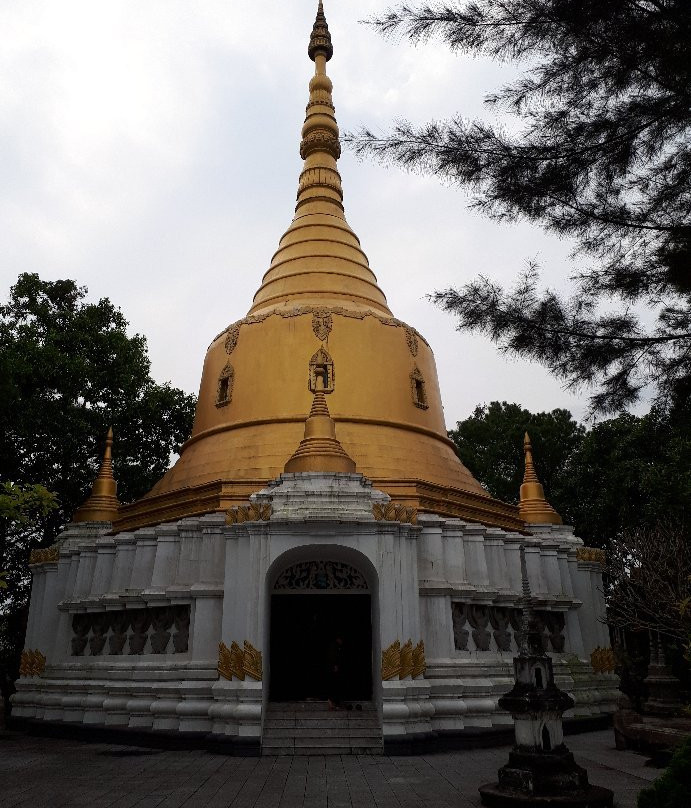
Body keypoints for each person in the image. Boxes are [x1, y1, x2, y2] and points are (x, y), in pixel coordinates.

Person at [327, 633, 345, 710]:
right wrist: (335, 665)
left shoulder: (337, 646)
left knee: (336, 685)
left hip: (335, 669)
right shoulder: (334, 646)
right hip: (333, 668)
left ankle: (334, 702)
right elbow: (333, 656)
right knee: (334, 685)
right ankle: (331, 702)